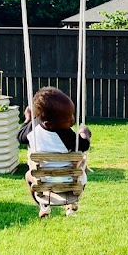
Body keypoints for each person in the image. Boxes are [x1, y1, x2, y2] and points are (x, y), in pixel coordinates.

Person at [17, 86, 91, 218]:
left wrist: (28, 119)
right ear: (49, 124)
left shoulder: (33, 127)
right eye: (67, 118)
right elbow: (84, 145)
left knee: (29, 176)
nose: (72, 119)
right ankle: (73, 202)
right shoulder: (66, 135)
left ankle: (43, 205)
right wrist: (84, 133)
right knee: (82, 168)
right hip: (70, 180)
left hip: (43, 181)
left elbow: (20, 136)